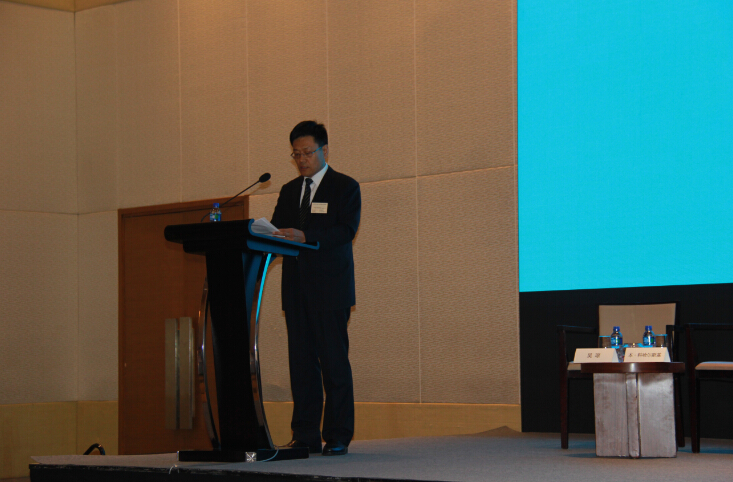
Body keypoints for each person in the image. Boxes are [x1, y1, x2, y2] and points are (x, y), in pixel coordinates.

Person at [271, 120, 361, 456]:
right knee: (302, 366)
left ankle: (337, 436)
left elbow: (346, 231)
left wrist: (307, 236)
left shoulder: (345, 187)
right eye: (296, 154)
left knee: (334, 364)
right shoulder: (288, 191)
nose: (302, 159)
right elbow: (277, 230)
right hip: (296, 291)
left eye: (307, 152)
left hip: (330, 290)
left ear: (324, 150)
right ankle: (305, 435)